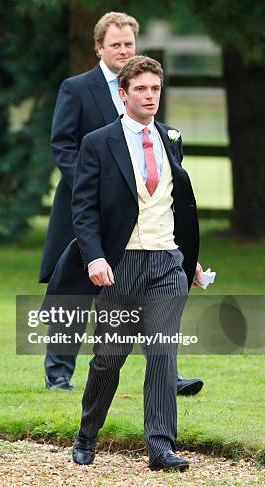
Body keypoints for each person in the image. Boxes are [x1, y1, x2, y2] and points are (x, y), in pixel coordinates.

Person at [47, 55, 202, 471]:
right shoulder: (98, 142)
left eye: (155, 89)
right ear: (123, 94)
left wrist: (191, 259)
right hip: (121, 265)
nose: (150, 96)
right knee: (109, 357)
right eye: (141, 89)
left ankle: (160, 446)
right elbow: (84, 208)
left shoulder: (171, 137)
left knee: (163, 352)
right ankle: (87, 432)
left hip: (167, 263)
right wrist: (94, 257)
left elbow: (176, 206)